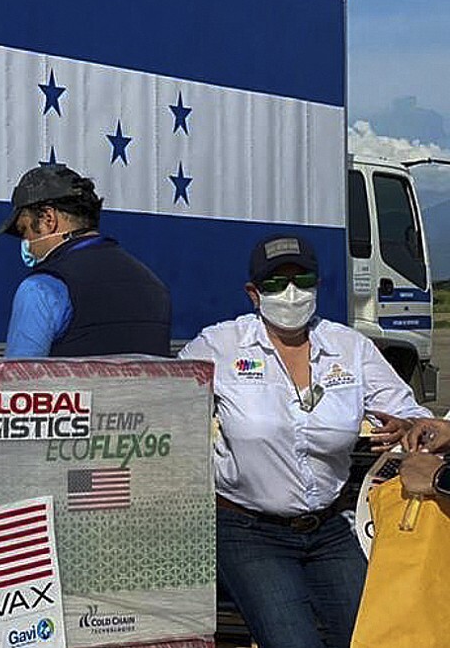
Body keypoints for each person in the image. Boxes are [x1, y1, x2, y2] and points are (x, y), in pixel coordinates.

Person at [177, 234, 431, 648]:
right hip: (247, 529)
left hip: (329, 527)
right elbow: (164, 401)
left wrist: (408, 426)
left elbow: (412, 413)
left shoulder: (349, 348)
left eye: (303, 280)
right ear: (253, 293)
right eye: (276, 283)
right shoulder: (219, 346)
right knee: (292, 639)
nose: (291, 293)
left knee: (373, 635)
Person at [0, 164, 170, 357]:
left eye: (24, 230)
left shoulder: (40, 289)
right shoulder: (153, 284)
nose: (26, 242)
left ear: (48, 219)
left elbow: (19, 380)